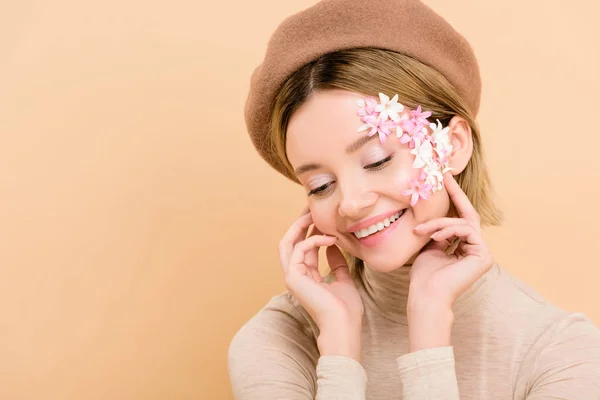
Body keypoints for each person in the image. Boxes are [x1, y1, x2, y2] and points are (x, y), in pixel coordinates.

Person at [228, 0, 600, 398]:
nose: (351, 202)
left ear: (453, 145)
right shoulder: (279, 341)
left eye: (377, 160)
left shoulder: (562, 353)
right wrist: (338, 354)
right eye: (320, 185)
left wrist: (429, 333)